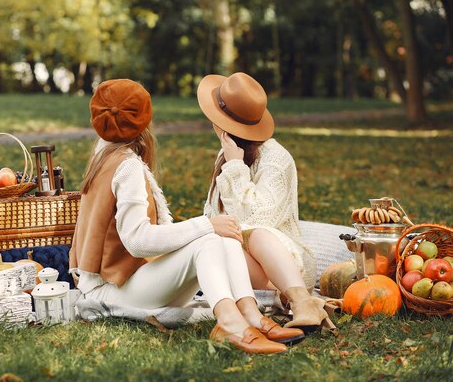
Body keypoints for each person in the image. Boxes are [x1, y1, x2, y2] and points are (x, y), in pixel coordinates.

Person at [69, 79, 305, 354]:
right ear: (145, 120)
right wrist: (205, 225)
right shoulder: (127, 167)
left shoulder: (104, 152)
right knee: (209, 236)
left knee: (223, 235)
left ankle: (250, 315)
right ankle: (229, 322)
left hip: (123, 283)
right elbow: (136, 240)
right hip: (114, 291)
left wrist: (212, 227)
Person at [197, 72, 334, 332]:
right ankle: (281, 301)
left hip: (283, 260)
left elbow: (257, 220)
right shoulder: (226, 154)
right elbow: (215, 213)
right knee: (215, 244)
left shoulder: (275, 159)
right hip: (244, 260)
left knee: (257, 235)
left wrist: (236, 166)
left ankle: (302, 301)